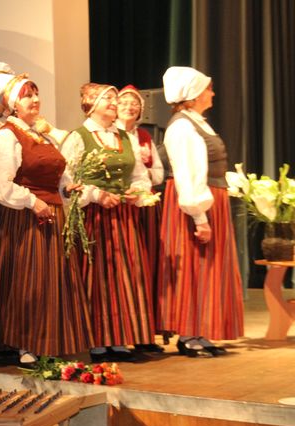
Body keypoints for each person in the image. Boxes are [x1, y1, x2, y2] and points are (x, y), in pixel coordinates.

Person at [0, 75, 94, 361]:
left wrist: (66, 189)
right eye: (26, 95)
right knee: (28, 281)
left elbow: (56, 176)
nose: (34, 100)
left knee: (51, 282)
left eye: (36, 94)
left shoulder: (42, 136)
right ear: (13, 104)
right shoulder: (7, 137)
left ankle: (50, 340)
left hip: (52, 216)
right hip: (24, 221)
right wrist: (32, 202)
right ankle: (26, 342)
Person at [60, 83, 154, 362]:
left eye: (114, 98)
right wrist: (96, 194)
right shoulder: (78, 137)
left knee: (124, 276)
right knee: (99, 278)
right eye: (107, 98)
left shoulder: (125, 137)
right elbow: (66, 181)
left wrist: (138, 192)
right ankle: (98, 341)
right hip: (94, 217)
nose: (114, 103)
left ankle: (121, 338)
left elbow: (139, 174)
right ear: (91, 104)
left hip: (123, 218)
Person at [158, 66, 243, 355]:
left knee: (207, 267)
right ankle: (187, 334)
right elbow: (187, 173)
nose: (213, 93)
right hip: (194, 203)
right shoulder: (182, 127)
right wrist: (199, 217)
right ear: (193, 96)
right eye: (208, 89)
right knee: (194, 266)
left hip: (209, 200)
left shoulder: (197, 123)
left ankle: (200, 331)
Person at [116, 84, 166, 352]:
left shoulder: (144, 135)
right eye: (124, 103)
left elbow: (158, 173)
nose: (129, 107)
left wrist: (143, 176)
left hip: (146, 206)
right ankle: (125, 332)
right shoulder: (112, 136)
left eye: (134, 104)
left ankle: (145, 334)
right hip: (122, 206)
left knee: (147, 267)